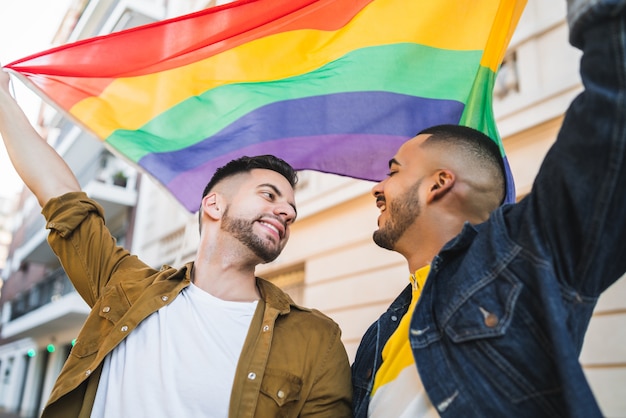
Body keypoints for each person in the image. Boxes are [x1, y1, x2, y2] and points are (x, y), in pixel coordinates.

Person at [0, 72, 352, 417]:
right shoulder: (126, 287)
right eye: (269, 195)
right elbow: (59, 195)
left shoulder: (316, 340)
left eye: (291, 207)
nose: (287, 211)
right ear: (214, 205)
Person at [352, 1, 626, 417]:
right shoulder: (378, 337)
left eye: (393, 171)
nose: (377, 187)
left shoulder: (522, 259)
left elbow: (615, 115)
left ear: (438, 184)